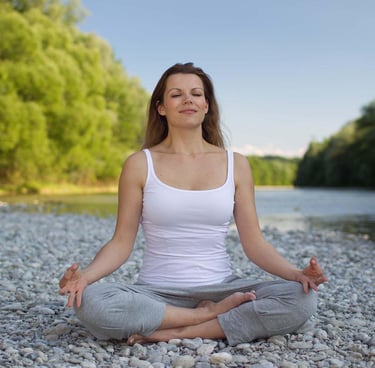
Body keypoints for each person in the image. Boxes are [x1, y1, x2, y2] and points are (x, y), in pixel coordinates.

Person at [59, 62, 328, 346]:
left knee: (302, 299)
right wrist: (84, 277)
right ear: (161, 107)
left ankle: (177, 330)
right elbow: (121, 243)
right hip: (157, 293)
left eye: (196, 94)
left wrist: (296, 274)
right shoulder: (139, 165)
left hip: (222, 288)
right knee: (90, 302)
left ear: (206, 105)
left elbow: (255, 244)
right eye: (176, 94)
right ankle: (209, 318)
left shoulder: (236, 164)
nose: (188, 99)